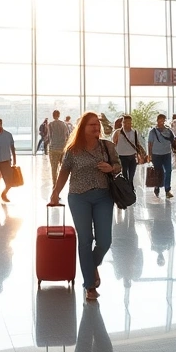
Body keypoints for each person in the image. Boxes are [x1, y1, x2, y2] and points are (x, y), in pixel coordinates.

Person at [49, 112, 122, 301]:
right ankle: (89, 285)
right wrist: (56, 192)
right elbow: (64, 171)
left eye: (97, 124)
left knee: (105, 241)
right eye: (92, 125)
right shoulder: (73, 149)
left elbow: (118, 165)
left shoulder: (107, 146)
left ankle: (91, 266)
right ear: (83, 127)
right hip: (79, 197)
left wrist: (111, 168)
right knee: (85, 239)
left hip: (104, 196)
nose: (96, 128)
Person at [148, 113, 176, 198]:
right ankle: (157, 187)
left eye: (163, 120)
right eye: (160, 120)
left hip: (166, 154)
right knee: (158, 172)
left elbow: (173, 141)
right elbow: (150, 144)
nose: (161, 122)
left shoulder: (168, 131)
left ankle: (167, 190)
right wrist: (149, 155)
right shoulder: (153, 132)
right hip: (156, 154)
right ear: (157, 120)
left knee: (168, 170)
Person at [112, 114, 146, 185]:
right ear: (122, 123)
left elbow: (137, 144)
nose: (127, 125)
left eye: (129, 123)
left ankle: (130, 188)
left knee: (131, 176)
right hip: (122, 157)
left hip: (132, 157)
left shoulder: (134, 132)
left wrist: (140, 155)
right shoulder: (118, 133)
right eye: (125, 122)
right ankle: (126, 188)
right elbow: (113, 145)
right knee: (124, 175)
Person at [47, 110, 69, 181]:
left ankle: (54, 183)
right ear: (59, 115)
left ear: (53, 115)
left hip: (53, 148)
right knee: (63, 167)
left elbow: (49, 136)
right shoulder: (64, 124)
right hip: (62, 148)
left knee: (54, 168)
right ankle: (61, 182)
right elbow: (67, 136)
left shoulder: (50, 124)